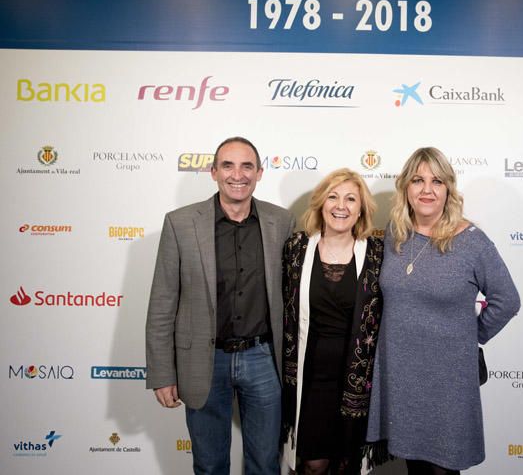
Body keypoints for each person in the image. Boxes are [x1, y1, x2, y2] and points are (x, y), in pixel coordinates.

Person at [145, 136, 296, 475]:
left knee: (265, 463)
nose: (237, 174)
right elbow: (162, 304)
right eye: (228, 165)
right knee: (210, 464)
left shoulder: (282, 222)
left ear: (259, 173)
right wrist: (162, 373)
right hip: (203, 359)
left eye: (246, 166)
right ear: (213, 172)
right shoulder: (180, 223)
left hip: (263, 359)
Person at [366, 147, 520, 475]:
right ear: (405, 187)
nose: (427, 189)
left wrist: (469, 336)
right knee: (416, 468)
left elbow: (507, 300)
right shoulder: (396, 234)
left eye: (436, 181)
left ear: (448, 188)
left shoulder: (473, 242)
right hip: (402, 375)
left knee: (443, 469)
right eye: (418, 180)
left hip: (449, 380)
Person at [281, 168, 383, 475]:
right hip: (310, 378)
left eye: (351, 198)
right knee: (312, 464)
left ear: (361, 208)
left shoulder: (378, 254)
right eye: (334, 197)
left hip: (358, 380)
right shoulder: (297, 249)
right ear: (321, 204)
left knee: (346, 465)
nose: (341, 206)